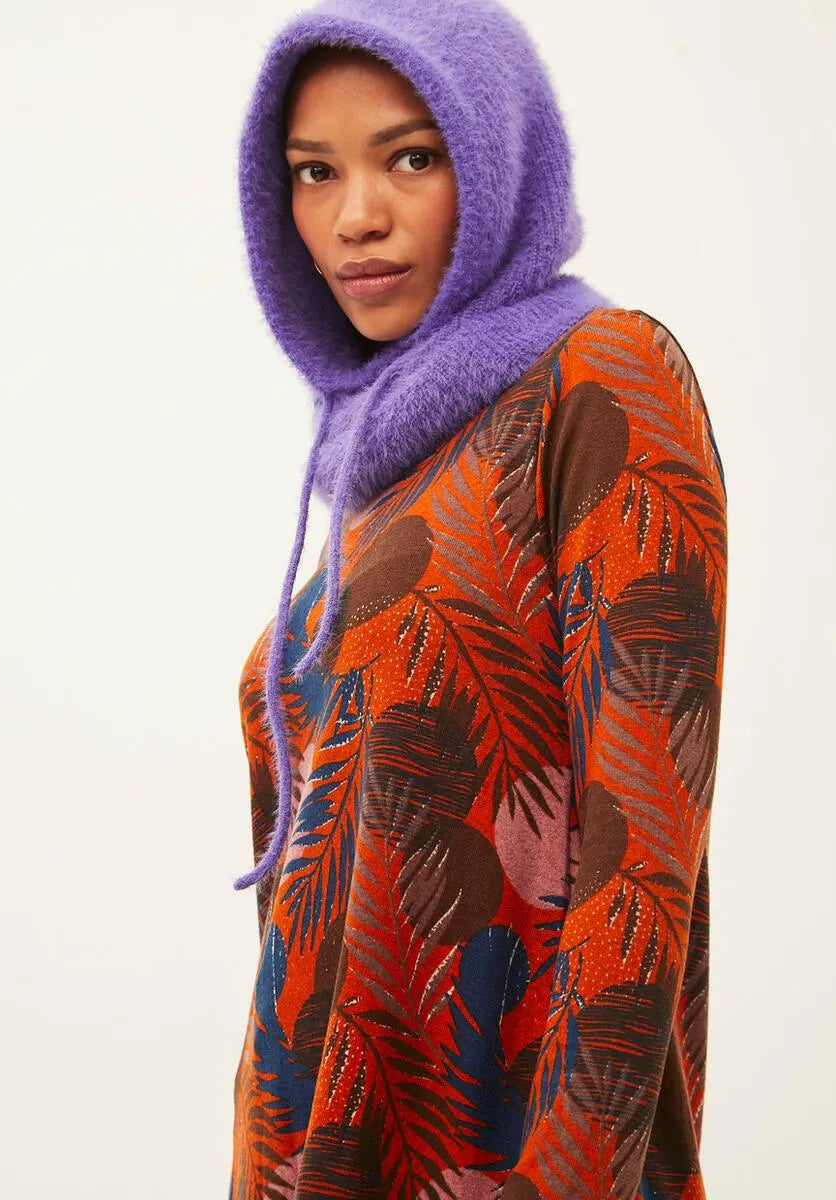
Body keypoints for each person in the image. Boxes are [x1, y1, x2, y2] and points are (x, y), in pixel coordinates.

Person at [228, 1, 728, 1197]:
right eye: (313, 171)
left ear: (500, 161)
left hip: (499, 1160)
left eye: (410, 156)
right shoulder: (377, 489)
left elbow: (641, 860)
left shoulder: (601, 380)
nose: (356, 216)